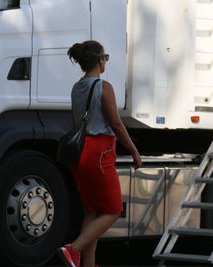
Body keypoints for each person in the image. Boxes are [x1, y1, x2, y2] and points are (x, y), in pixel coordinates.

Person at [58, 40, 142, 267]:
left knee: (92, 211)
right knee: (114, 211)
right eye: (105, 57)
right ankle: (72, 249)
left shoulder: (77, 87)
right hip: (99, 153)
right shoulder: (104, 87)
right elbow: (116, 123)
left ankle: (88, 264)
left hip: (79, 154)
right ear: (99, 60)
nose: (106, 61)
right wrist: (134, 151)